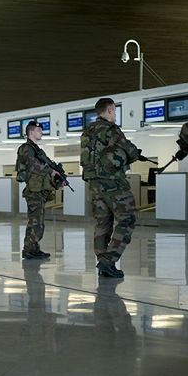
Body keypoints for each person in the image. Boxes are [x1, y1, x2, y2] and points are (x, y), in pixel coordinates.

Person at [80, 98, 145, 278]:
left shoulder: (87, 132)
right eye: (114, 111)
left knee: (103, 222)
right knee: (127, 219)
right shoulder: (111, 129)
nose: (115, 114)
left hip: (94, 184)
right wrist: (135, 154)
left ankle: (102, 261)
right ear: (109, 110)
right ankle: (108, 262)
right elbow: (129, 150)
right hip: (113, 183)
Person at [15, 121, 61, 259]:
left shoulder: (37, 149)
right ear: (31, 132)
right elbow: (33, 165)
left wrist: (57, 179)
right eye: (39, 130)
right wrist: (51, 171)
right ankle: (28, 249)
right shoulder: (26, 148)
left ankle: (33, 248)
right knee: (35, 222)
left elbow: (44, 168)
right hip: (33, 191)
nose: (41, 132)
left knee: (38, 222)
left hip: (39, 190)